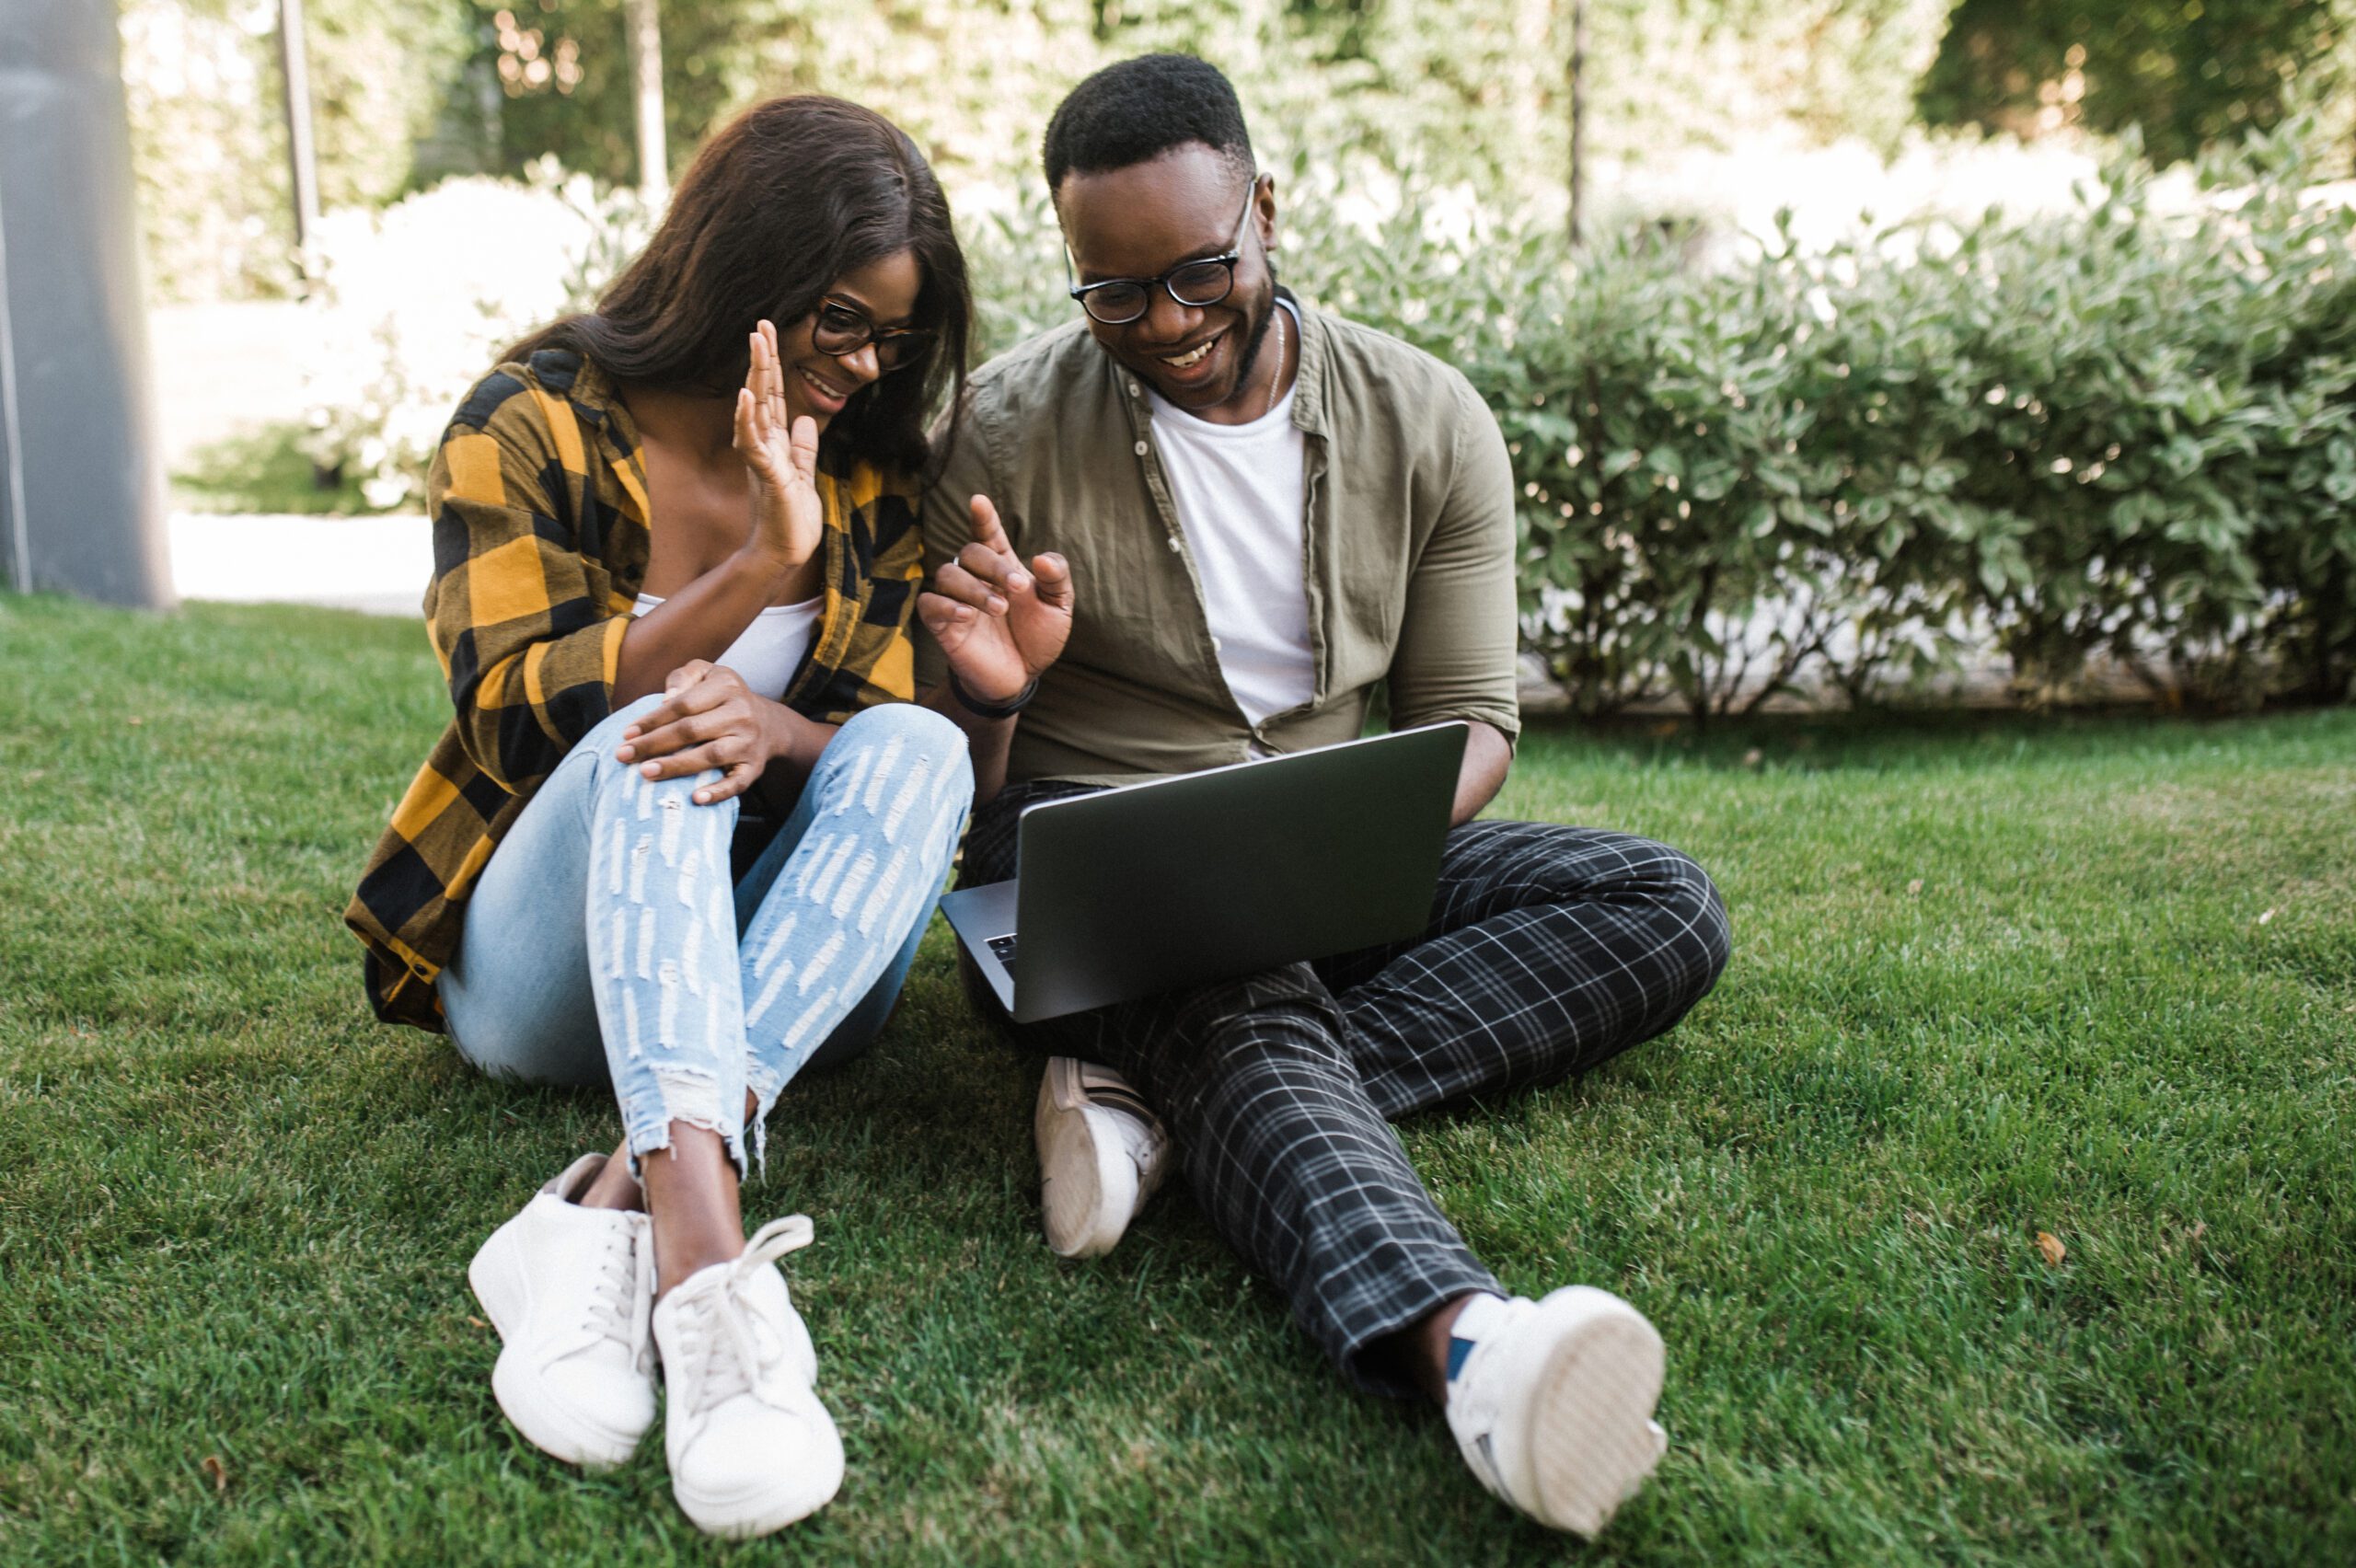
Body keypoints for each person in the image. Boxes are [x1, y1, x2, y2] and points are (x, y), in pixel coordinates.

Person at [913, 55, 1732, 1539]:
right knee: (1232, 971)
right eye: (1115, 292)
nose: (1164, 324)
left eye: (1200, 271)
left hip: (1343, 839)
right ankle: (1474, 1352)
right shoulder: (1000, 436)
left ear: (1265, 210)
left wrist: (1346, 844)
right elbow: (947, 792)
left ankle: (1155, 1114)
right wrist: (994, 690)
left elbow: (1473, 723)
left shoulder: (1429, 420)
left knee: (1660, 900)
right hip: (1089, 869)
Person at [345, 96, 1049, 1539]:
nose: (864, 369)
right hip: (550, 976)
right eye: (839, 323)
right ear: (742, 275)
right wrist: (751, 576)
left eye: (892, 343)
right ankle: (709, 1269)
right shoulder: (527, 422)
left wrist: (993, 702)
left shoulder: (869, 472)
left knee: (908, 741)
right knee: (657, 738)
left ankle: (601, 1214)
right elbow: (512, 712)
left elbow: (913, 806)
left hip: (774, 979)